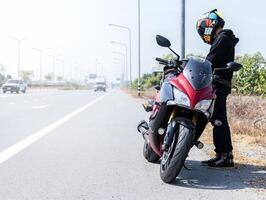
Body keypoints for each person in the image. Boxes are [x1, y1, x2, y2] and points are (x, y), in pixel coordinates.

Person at [196, 9, 239, 167]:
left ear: (208, 25)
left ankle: (226, 156)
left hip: (219, 85)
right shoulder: (222, 38)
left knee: (219, 119)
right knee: (215, 119)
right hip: (218, 84)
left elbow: (210, 60)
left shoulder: (223, 37)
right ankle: (221, 154)